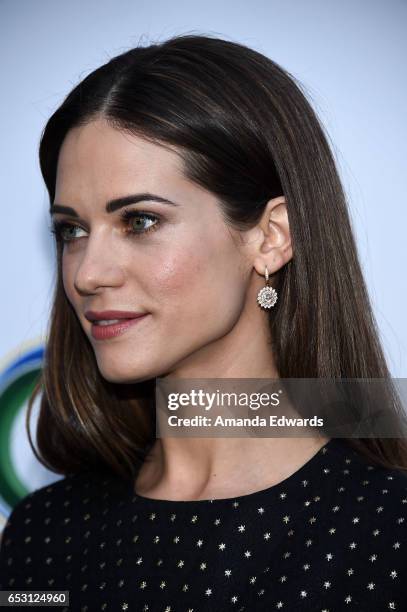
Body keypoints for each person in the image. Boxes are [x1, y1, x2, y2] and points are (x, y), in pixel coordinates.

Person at [0, 33, 406, 612]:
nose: (88, 273)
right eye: (71, 230)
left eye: (139, 221)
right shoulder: (45, 535)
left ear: (271, 237)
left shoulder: (388, 535)